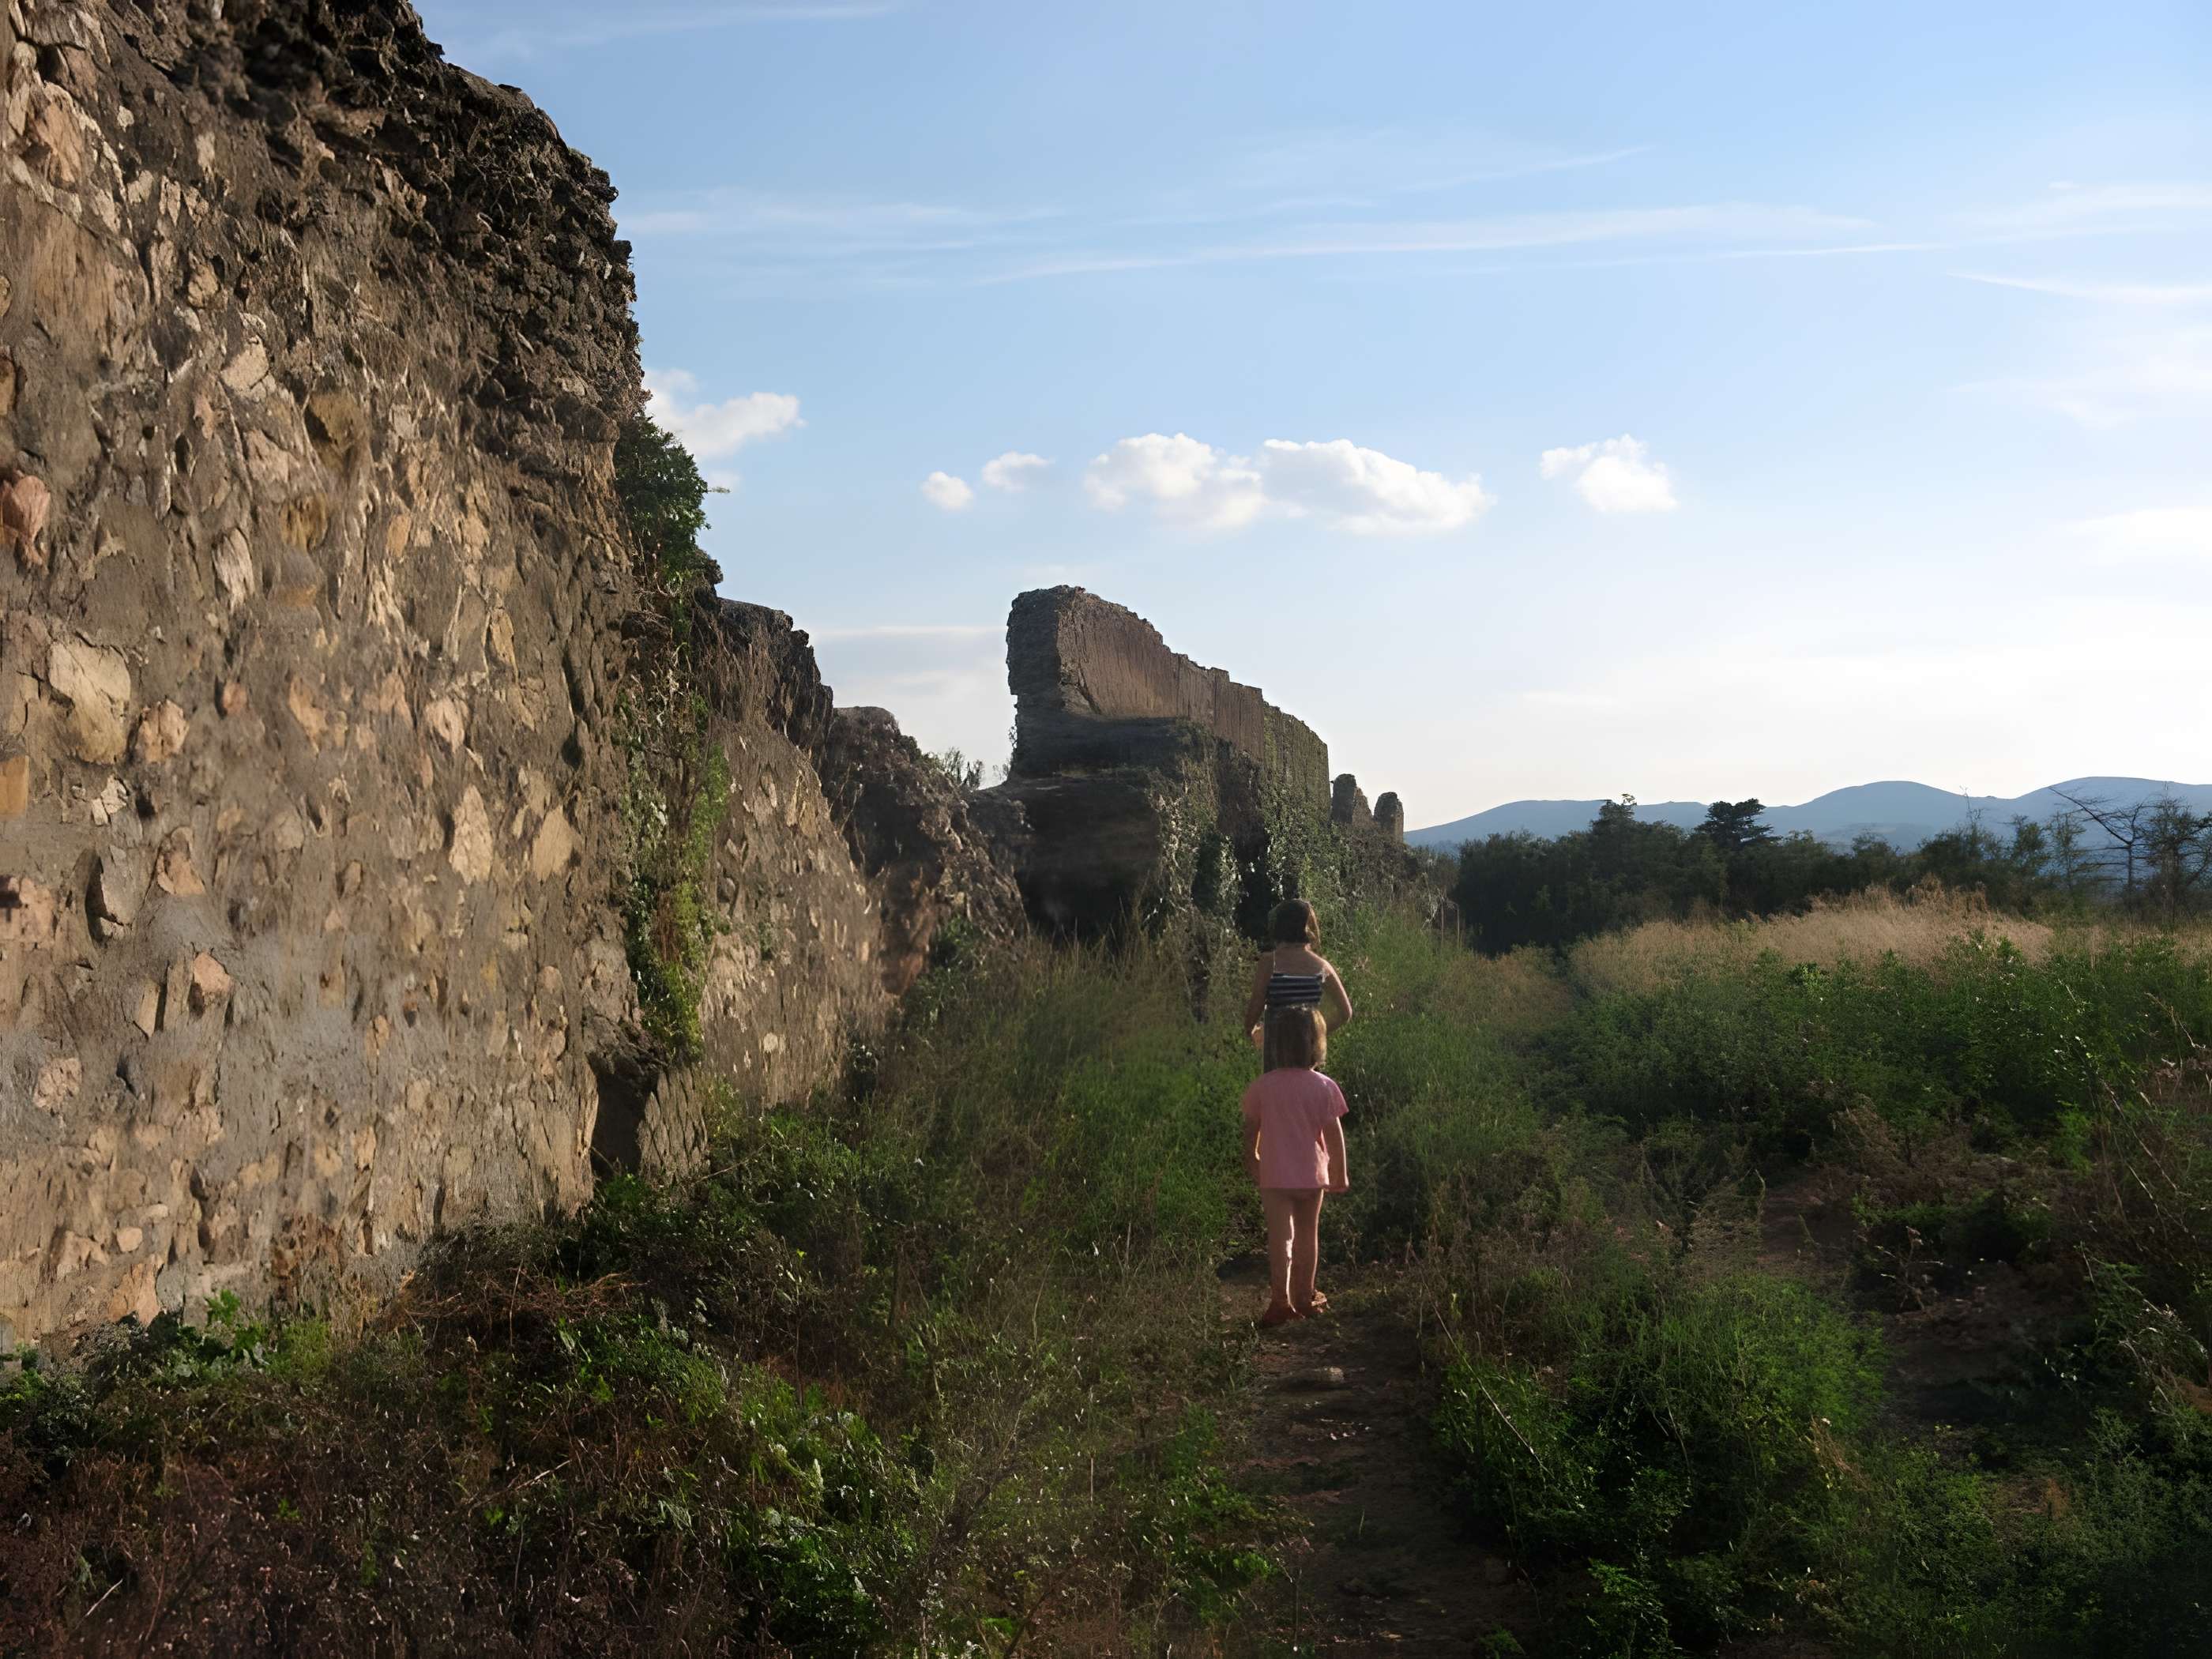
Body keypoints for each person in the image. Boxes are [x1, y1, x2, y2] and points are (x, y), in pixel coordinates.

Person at [1240, 1005, 1349, 1326]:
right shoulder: (1324, 1087)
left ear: (1276, 1046)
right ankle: (1305, 1294)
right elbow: (1333, 1134)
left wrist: (1252, 1159)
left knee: (1280, 1238)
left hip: (1274, 1175)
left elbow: (1251, 1130)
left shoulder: (1263, 1086)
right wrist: (1339, 1173)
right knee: (1307, 1235)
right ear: (1317, 1045)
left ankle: (1280, 1301)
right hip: (1311, 1176)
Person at [1243, 897, 1353, 1072]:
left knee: (1277, 1095)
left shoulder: (1269, 962)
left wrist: (1249, 1031)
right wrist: (1317, 1032)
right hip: (1307, 1052)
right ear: (1308, 927)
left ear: (1279, 926)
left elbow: (1257, 1002)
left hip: (1276, 1049)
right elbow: (1345, 1013)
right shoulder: (1321, 967)